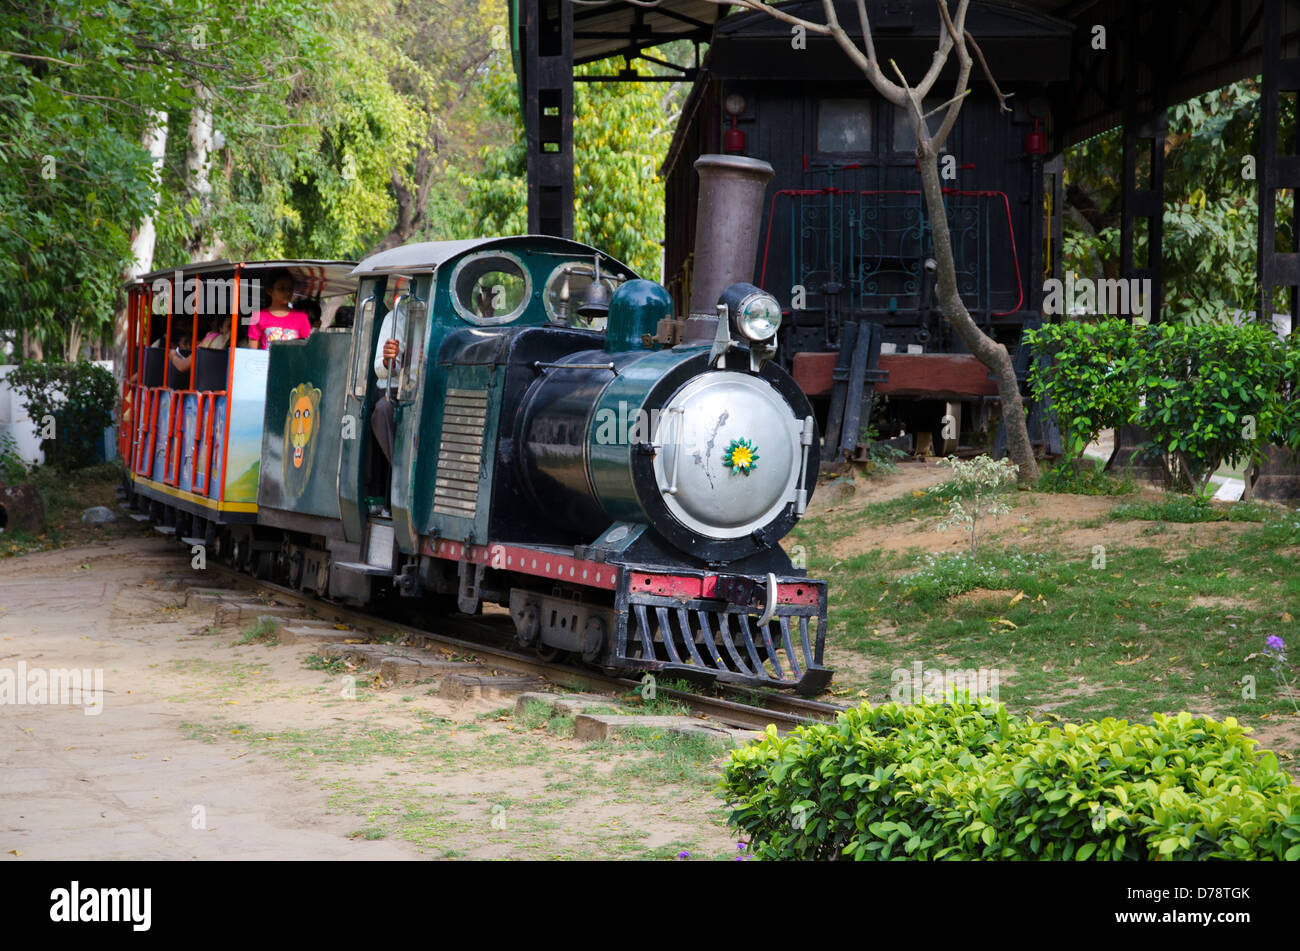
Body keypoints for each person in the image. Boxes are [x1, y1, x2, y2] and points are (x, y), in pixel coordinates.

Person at [369, 295, 407, 467]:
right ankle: (399, 471)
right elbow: (381, 368)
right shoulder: (397, 317)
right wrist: (388, 360)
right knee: (383, 410)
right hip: (397, 390)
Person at [248, 271, 312, 349]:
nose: (287, 292)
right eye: (282, 289)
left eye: (290, 289)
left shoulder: (302, 317)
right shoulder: (257, 316)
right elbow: (253, 350)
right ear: (270, 291)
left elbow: (308, 346)